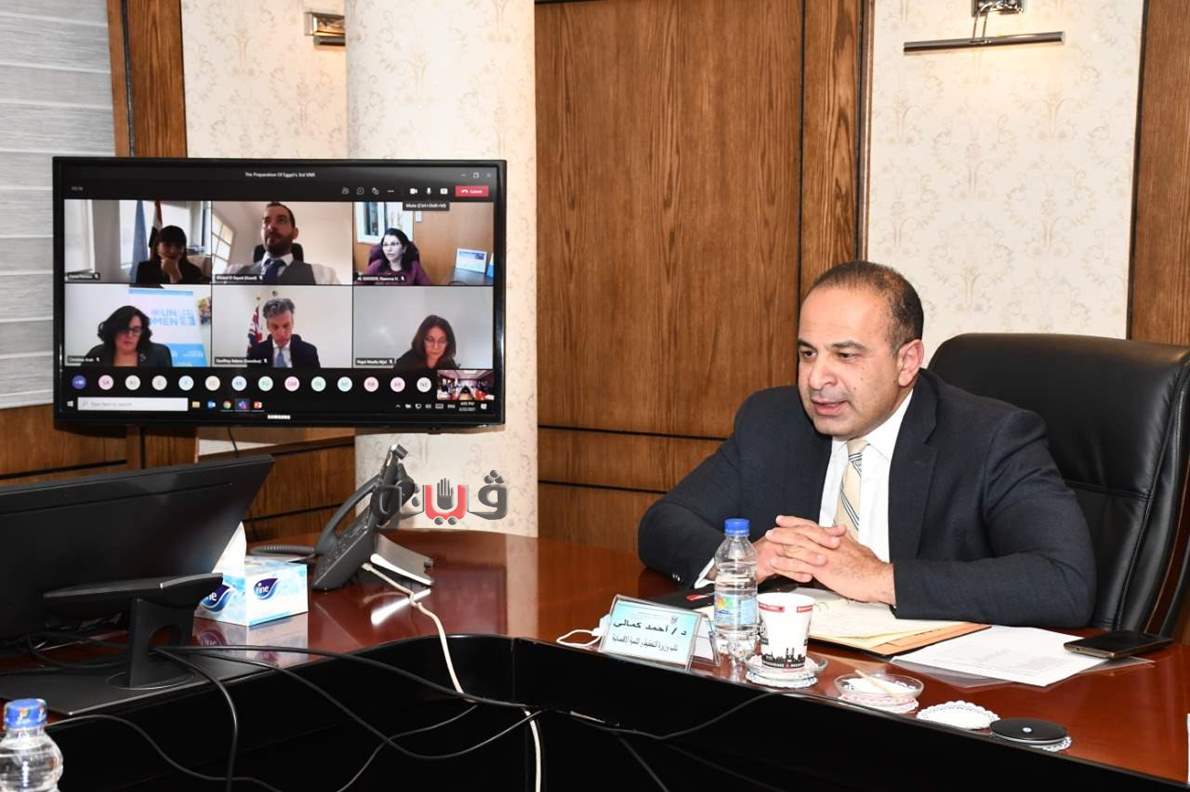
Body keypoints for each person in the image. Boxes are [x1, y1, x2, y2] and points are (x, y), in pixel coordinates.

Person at [637, 261, 1096, 628]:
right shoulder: (773, 421)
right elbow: (663, 523)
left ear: (907, 361)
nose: (817, 379)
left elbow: (1064, 582)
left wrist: (879, 578)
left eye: (846, 355)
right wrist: (742, 561)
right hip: (792, 671)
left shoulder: (992, 438)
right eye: (808, 353)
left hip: (929, 688)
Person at [227, 202, 316, 285]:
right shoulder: (232, 272)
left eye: (281, 220)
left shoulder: (319, 274)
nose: (271, 226)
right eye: (266, 221)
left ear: (294, 233)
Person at [83, 305, 173, 367]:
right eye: (124, 329)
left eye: (136, 330)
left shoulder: (159, 354)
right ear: (113, 330)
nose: (130, 335)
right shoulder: (96, 354)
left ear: (142, 332)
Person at [246, 297, 321, 368]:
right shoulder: (255, 353)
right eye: (275, 327)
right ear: (268, 326)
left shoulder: (309, 352)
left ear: (292, 323)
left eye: (286, 326)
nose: (281, 334)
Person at [134, 225, 208, 285]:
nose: (173, 251)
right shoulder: (144, 268)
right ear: (157, 247)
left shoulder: (194, 271)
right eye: (167, 245)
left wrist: (174, 274)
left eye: (178, 246)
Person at [393, 315, 458, 377]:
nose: (435, 346)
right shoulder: (404, 364)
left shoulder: (449, 363)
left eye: (442, 341)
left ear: (448, 343)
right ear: (421, 340)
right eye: (430, 340)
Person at [364, 228, 431, 284]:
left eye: (393, 244)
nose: (389, 249)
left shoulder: (414, 267)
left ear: (404, 248)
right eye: (385, 245)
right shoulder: (376, 266)